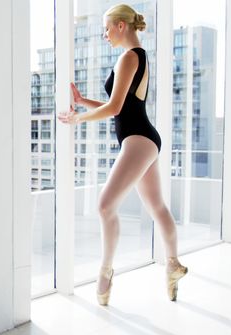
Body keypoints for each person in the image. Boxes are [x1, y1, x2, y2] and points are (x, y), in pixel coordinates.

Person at [57, 3, 187, 306]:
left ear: (120, 26)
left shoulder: (129, 57)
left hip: (138, 139)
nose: (104, 34)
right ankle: (173, 265)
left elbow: (115, 109)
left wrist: (77, 119)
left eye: (106, 28)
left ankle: (105, 274)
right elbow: (121, 107)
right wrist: (83, 101)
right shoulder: (137, 56)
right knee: (157, 207)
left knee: (105, 206)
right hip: (143, 139)